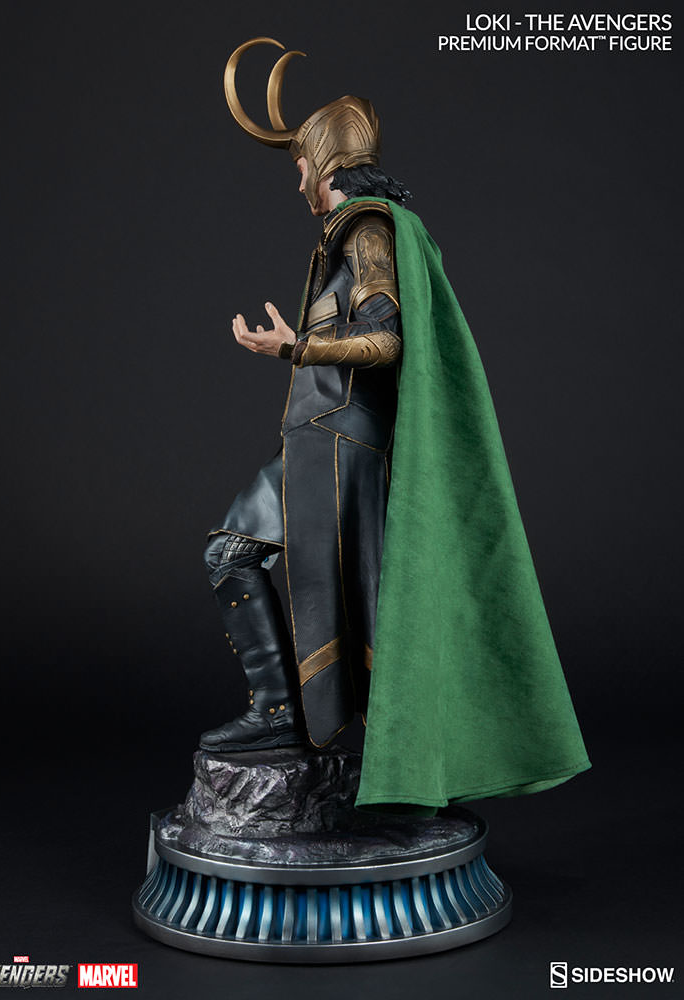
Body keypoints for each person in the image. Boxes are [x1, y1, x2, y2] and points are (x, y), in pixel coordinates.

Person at [200, 38, 590, 814]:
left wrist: (294, 346)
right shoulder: (355, 232)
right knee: (266, 566)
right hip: (322, 443)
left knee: (338, 594)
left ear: (323, 164)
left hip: (342, 449)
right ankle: (285, 716)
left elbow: (385, 341)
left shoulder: (368, 228)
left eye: (300, 167)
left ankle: (325, 735)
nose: (298, 182)